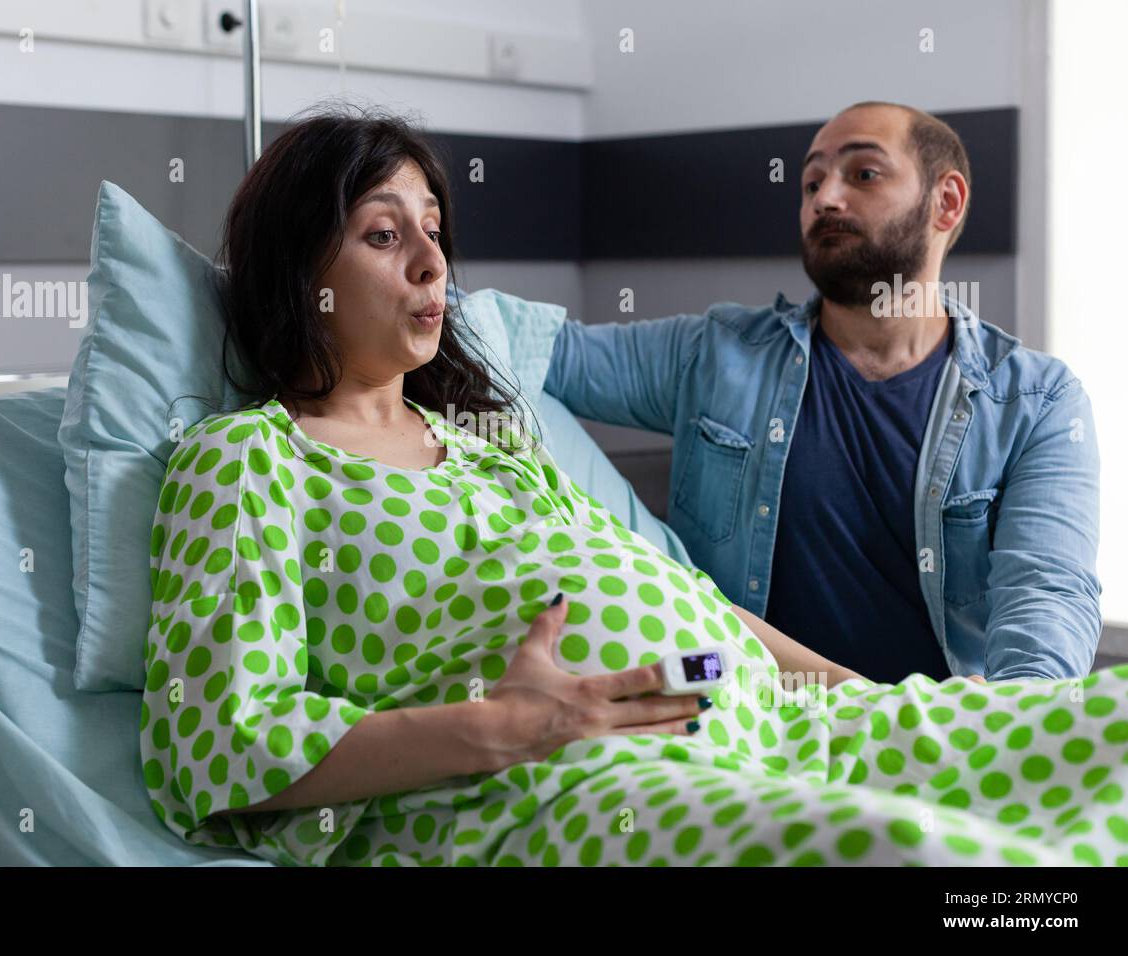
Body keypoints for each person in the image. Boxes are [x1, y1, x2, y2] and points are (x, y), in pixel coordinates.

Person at [139, 105, 1127, 867]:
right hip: (560, 781)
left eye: (435, 229)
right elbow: (216, 740)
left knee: (1103, 724)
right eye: (384, 234)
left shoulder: (488, 443)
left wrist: (886, 706)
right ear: (297, 265)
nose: (434, 260)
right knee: (936, 861)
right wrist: (498, 728)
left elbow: (704, 608)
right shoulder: (247, 461)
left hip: (779, 724)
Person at [543, 101, 1101, 685]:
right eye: (811, 182)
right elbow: (522, 344)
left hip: (936, 739)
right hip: (747, 721)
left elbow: (1047, 596)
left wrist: (1011, 724)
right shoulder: (716, 354)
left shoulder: (1037, 402)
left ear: (947, 201)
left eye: (863, 174)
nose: (824, 199)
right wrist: (433, 273)